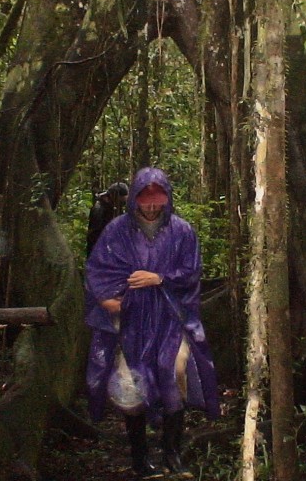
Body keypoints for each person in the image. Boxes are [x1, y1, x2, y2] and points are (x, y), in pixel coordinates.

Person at [84, 167, 220, 479]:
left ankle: (172, 453)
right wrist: (107, 300)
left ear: (167, 199)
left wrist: (159, 278)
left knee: (174, 373)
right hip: (130, 322)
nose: (151, 207)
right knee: (132, 382)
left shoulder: (182, 231)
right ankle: (139, 458)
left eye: (157, 201)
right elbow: (97, 269)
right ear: (134, 199)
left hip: (170, 318)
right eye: (145, 201)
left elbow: (191, 272)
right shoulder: (117, 231)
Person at [86, 182, 129, 256]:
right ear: (114, 197)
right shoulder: (99, 209)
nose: (122, 204)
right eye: (121, 202)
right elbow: (94, 236)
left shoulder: (115, 206)